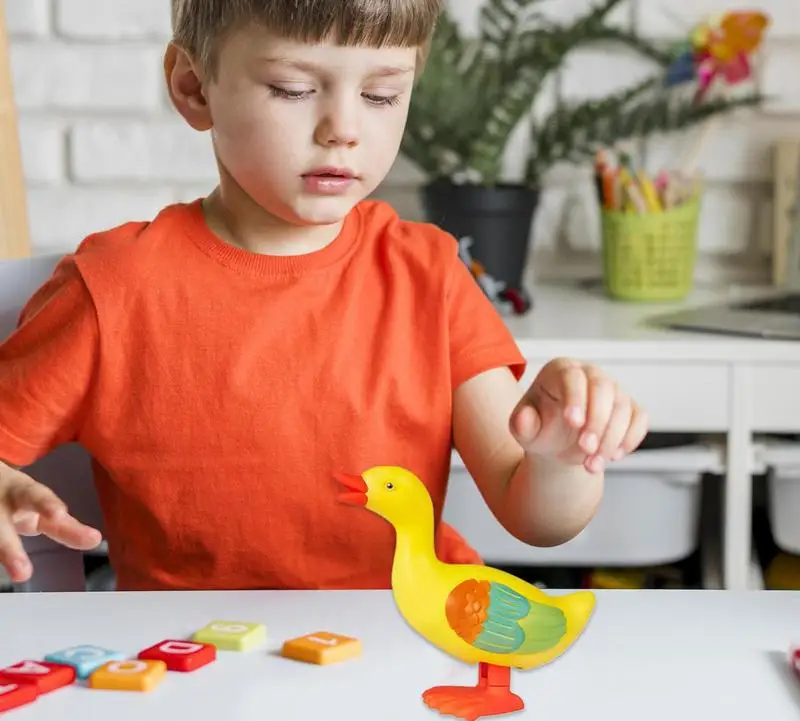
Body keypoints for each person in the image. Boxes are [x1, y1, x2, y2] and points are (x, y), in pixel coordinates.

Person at [0, 0, 648, 591]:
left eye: (382, 94)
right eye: (295, 89)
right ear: (194, 87)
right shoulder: (114, 288)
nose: (342, 128)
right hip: (196, 662)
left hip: (401, 644)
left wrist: (564, 456)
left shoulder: (430, 276)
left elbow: (532, 514)